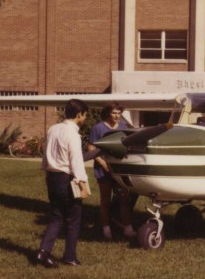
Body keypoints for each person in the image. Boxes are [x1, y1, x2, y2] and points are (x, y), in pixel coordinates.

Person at [37, 99, 90, 268]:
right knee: (74, 219)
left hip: (52, 178)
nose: (85, 118)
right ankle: (70, 256)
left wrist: (46, 174)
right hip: (67, 180)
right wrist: (82, 184)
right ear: (79, 114)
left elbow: (46, 154)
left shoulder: (53, 129)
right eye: (85, 115)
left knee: (56, 217)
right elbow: (76, 161)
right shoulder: (73, 134)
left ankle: (43, 251)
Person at [88, 101, 136, 240]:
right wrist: (103, 164)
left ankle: (127, 228)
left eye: (119, 113)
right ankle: (105, 228)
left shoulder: (123, 126)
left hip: (119, 169)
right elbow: (90, 148)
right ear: (108, 113)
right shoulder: (98, 128)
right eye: (114, 113)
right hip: (104, 170)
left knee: (124, 199)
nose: (116, 116)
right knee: (105, 200)